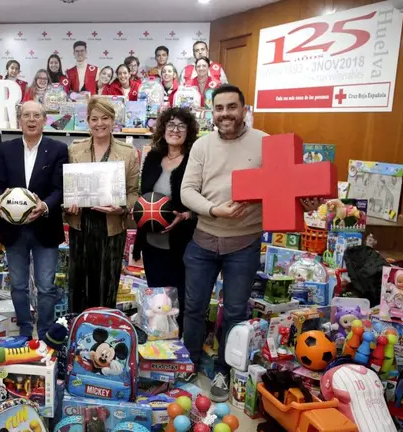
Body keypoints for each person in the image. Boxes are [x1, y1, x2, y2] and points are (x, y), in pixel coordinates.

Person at [179, 84, 321, 400]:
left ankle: (223, 370)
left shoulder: (267, 143)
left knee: (234, 312)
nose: (225, 113)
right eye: (219, 108)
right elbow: (187, 191)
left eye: (232, 107)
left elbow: (288, 186)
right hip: (202, 241)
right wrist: (214, 209)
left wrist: (306, 201)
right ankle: (188, 363)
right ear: (212, 112)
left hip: (243, 244)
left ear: (244, 110)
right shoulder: (202, 145)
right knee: (193, 308)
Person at [0, 101, 69, 339]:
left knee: (46, 286)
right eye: (26, 115)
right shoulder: (6, 149)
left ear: (44, 120)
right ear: (20, 120)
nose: (31, 120)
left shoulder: (58, 149)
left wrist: (44, 206)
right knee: (18, 285)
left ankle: (44, 332)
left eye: (36, 115)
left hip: (45, 227)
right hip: (13, 229)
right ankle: (25, 329)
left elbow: (60, 188)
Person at [65, 97, 140, 312]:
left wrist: (122, 208)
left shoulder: (128, 152)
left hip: (112, 225)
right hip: (81, 223)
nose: (100, 123)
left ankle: (105, 323)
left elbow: (133, 192)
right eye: (94, 119)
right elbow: (67, 185)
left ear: (113, 120)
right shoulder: (75, 150)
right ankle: (78, 323)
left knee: (107, 281)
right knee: (79, 281)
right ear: (88, 121)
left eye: (105, 118)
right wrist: (69, 204)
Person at [132, 107, 198, 342]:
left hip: (182, 241)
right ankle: (158, 339)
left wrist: (188, 214)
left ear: (189, 131)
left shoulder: (194, 160)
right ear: (163, 129)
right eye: (171, 125)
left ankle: (178, 342)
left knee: (181, 295)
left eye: (181, 126)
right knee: (157, 295)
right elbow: (144, 193)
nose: (175, 130)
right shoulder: (153, 157)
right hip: (152, 241)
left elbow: (201, 197)